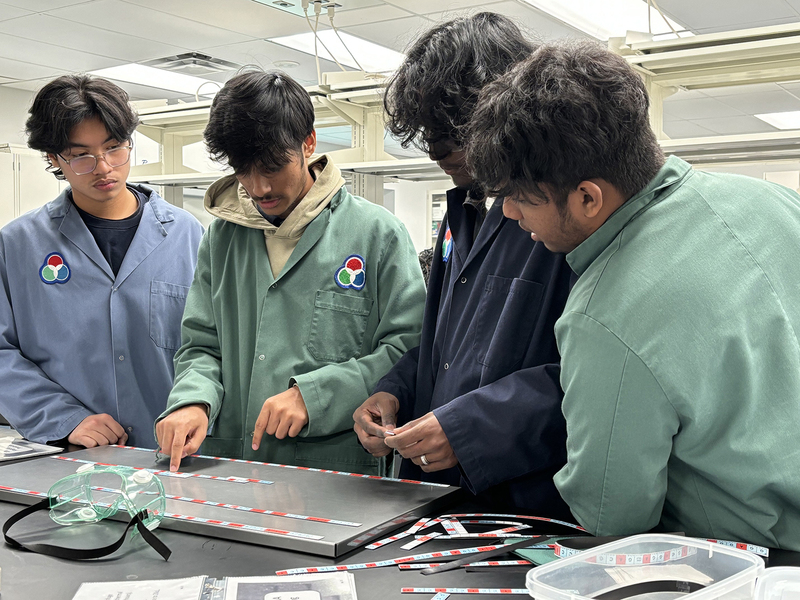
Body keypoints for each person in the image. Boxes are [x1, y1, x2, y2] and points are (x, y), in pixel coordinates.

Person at [466, 39, 800, 550]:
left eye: (518, 199)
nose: (509, 214)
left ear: (588, 198)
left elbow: (613, 513)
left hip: (755, 564)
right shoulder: (777, 203)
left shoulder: (604, 314)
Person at [352, 13, 575, 518]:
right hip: (441, 500)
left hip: (524, 506)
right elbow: (447, 348)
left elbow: (593, 377)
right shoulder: (462, 214)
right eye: (429, 133)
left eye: (453, 131)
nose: (436, 150)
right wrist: (393, 391)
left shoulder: (562, 219)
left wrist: (470, 428)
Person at [155, 70, 425, 475]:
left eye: (273, 166)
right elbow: (202, 346)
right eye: (243, 170)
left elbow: (407, 350)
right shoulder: (221, 239)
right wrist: (193, 400)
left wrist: (315, 397)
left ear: (308, 143)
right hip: (230, 466)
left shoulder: (378, 234)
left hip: (331, 473)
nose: (259, 187)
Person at [0, 75, 204, 449]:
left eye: (114, 148)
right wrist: (63, 418)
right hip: (71, 453)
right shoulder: (17, 245)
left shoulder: (187, 234)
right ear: (53, 157)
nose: (104, 167)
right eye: (81, 155)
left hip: (174, 453)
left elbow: (212, 344)